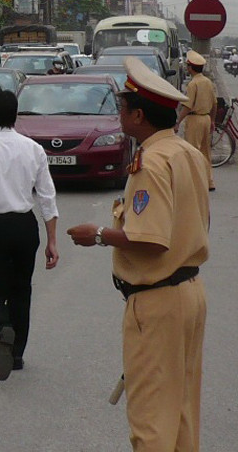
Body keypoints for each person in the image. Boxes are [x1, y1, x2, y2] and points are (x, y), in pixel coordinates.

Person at [67, 57, 208, 452]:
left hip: (157, 300)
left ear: (139, 115)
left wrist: (98, 235)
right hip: (188, 292)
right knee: (180, 410)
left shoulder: (151, 162)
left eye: (123, 109)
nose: (119, 115)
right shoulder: (187, 153)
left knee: (150, 420)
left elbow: (150, 238)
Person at [0, 88, 59, 381]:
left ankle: (0, 326)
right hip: (25, 226)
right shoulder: (33, 149)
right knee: (22, 291)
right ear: (16, 114)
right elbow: (47, 196)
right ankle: (16, 355)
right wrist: (52, 239)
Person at [175, 50, 217, 191]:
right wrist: (212, 120)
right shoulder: (208, 82)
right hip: (206, 118)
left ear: (191, 68)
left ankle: (195, 182)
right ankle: (209, 181)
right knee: (206, 152)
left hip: (195, 120)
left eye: (188, 66)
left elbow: (187, 106)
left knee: (192, 152)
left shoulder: (193, 84)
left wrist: (178, 122)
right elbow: (215, 103)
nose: (187, 69)